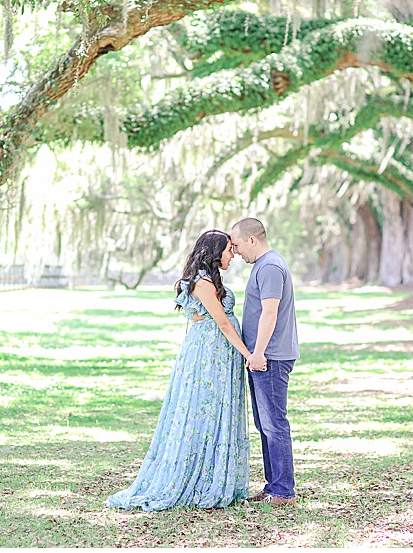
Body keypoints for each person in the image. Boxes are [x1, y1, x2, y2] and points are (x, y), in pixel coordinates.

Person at [106, 230, 253, 512]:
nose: (232, 254)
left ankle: (215, 475)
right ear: (214, 252)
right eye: (228, 250)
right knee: (203, 410)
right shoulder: (202, 282)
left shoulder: (210, 279)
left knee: (215, 413)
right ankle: (196, 478)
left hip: (220, 355)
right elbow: (222, 323)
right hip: (210, 355)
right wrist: (248, 354)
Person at [229, 218, 299, 507]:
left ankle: (283, 491)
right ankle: (274, 487)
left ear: (252, 240)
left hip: (269, 356)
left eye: (236, 245)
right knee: (265, 423)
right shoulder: (264, 264)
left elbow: (269, 312)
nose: (234, 252)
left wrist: (257, 353)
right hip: (264, 356)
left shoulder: (269, 266)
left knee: (274, 424)